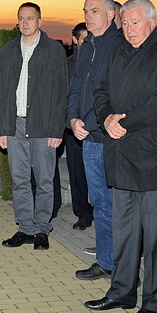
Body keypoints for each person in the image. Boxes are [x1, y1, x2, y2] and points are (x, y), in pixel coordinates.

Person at [85, 0, 157, 313]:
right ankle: (122, 291)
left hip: (150, 157)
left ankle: (155, 303)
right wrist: (105, 118)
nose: (129, 29)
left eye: (135, 22)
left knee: (155, 237)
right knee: (124, 232)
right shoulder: (118, 51)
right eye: (125, 23)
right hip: (118, 154)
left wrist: (121, 123)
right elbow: (101, 90)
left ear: (152, 22)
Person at [0, 3, 68, 251]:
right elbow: (1, 93)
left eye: (30, 18)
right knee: (19, 179)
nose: (25, 22)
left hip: (43, 124)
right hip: (15, 125)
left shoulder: (53, 50)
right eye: (21, 18)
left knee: (44, 179)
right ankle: (25, 228)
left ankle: (41, 230)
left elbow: (61, 92)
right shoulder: (8, 51)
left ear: (39, 21)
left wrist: (57, 129)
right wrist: (2, 129)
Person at [67, 0, 121, 280]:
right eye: (86, 11)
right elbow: (76, 85)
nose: (88, 16)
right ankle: (106, 261)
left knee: (115, 204)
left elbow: (114, 92)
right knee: (99, 201)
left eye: (95, 10)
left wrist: (86, 123)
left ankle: (121, 266)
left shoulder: (120, 45)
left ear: (111, 14)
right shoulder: (87, 45)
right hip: (87, 137)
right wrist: (72, 119)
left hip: (109, 138)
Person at [66, 22, 92, 230]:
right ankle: (83, 213)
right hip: (72, 127)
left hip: (95, 127)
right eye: (84, 38)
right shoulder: (67, 65)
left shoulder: (100, 60)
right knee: (77, 173)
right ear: (75, 40)